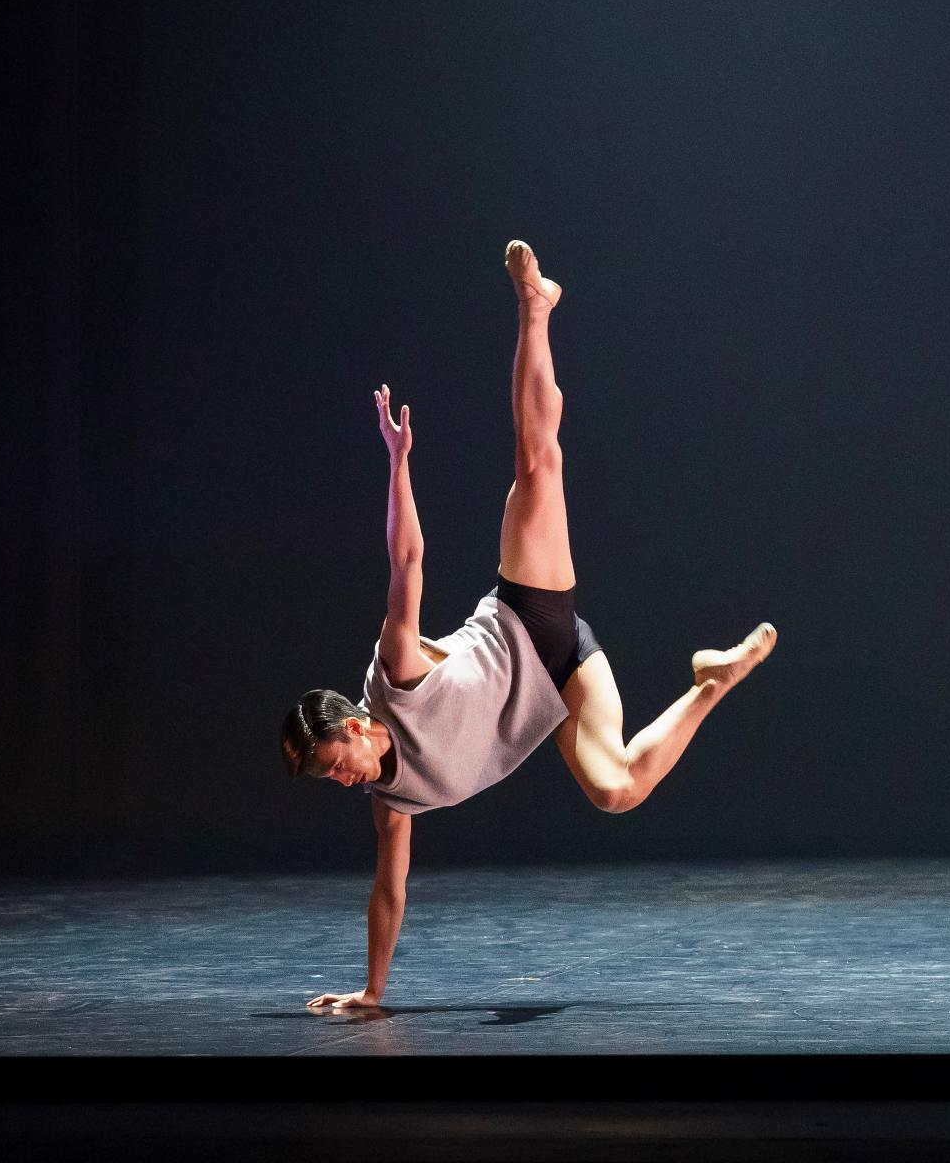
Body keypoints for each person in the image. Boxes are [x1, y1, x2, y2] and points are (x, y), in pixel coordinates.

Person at [281, 241, 777, 1012]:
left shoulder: (394, 675)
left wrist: (398, 463)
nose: (341, 780)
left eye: (334, 763)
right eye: (328, 777)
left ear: (353, 724)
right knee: (615, 791)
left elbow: (407, 562)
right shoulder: (393, 801)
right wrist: (373, 993)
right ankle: (713, 682)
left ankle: (533, 306)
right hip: (562, 682)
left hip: (530, 617)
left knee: (538, 463)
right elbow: (389, 891)